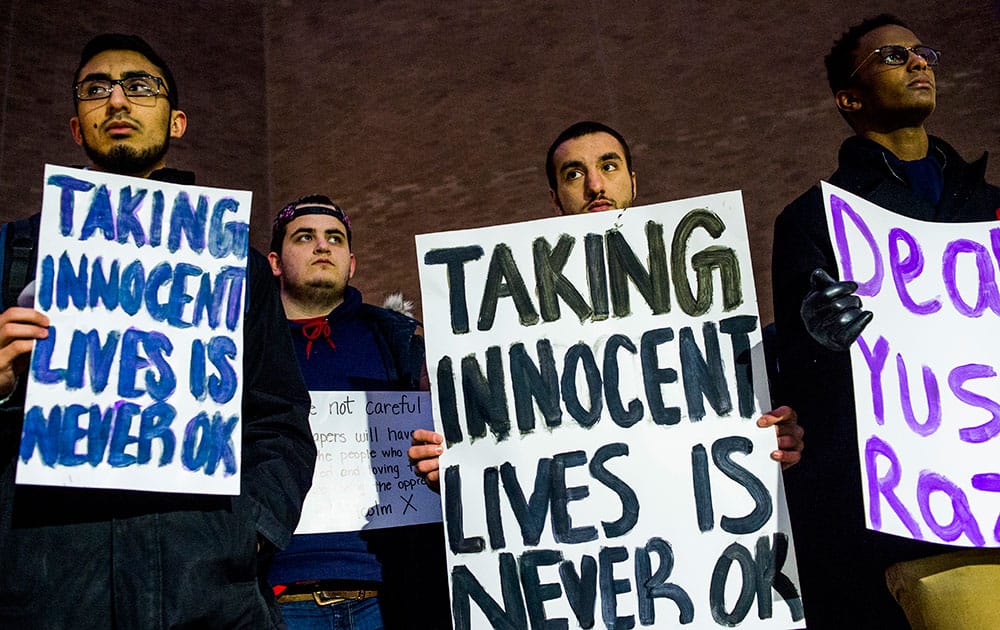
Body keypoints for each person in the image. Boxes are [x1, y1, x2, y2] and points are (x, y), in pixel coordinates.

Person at [0, 33, 316, 628]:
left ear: (176, 122)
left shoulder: (236, 264)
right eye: (97, 90)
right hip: (49, 595)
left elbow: (280, 421)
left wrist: (248, 533)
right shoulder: (13, 252)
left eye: (139, 86)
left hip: (210, 599)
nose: (117, 102)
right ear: (76, 127)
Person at [411, 120, 805, 487]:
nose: (595, 185)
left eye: (609, 166)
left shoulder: (699, 284)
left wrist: (774, 437)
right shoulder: (508, 310)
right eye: (574, 174)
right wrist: (456, 464)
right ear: (555, 197)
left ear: (633, 182)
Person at [772, 14, 1000, 628]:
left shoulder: (990, 205)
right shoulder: (814, 219)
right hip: (936, 530)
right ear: (849, 97)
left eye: (922, 52)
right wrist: (816, 338)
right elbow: (794, 385)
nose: (920, 62)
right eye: (894, 57)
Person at [266, 195, 450, 629]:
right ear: (275, 262)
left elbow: (455, 443)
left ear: (351, 263)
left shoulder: (402, 345)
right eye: (304, 237)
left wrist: (447, 460)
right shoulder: (243, 349)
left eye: (335, 238)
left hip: (389, 594)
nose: (322, 247)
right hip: (277, 597)